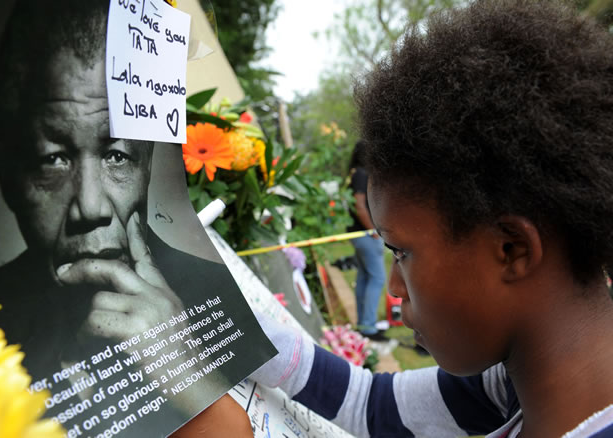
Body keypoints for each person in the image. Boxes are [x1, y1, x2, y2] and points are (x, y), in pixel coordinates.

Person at [202, 0, 613, 436]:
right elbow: (372, 405)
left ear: (511, 249)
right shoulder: (519, 379)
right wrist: (240, 331)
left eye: (400, 252)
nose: (395, 289)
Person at [0, 0, 255, 433]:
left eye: (117, 155)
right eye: (53, 159)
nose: (92, 207)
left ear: (147, 163)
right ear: (6, 167)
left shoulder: (208, 291)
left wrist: (187, 376)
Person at [347, 141, 387, 340]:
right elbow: (359, 205)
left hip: (356, 234)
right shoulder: (362, 174)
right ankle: (369, 327)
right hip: (365, 234)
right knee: (378, 278)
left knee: (364, 276)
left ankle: (363, 324)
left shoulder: (354, 173)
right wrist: (373, 229)